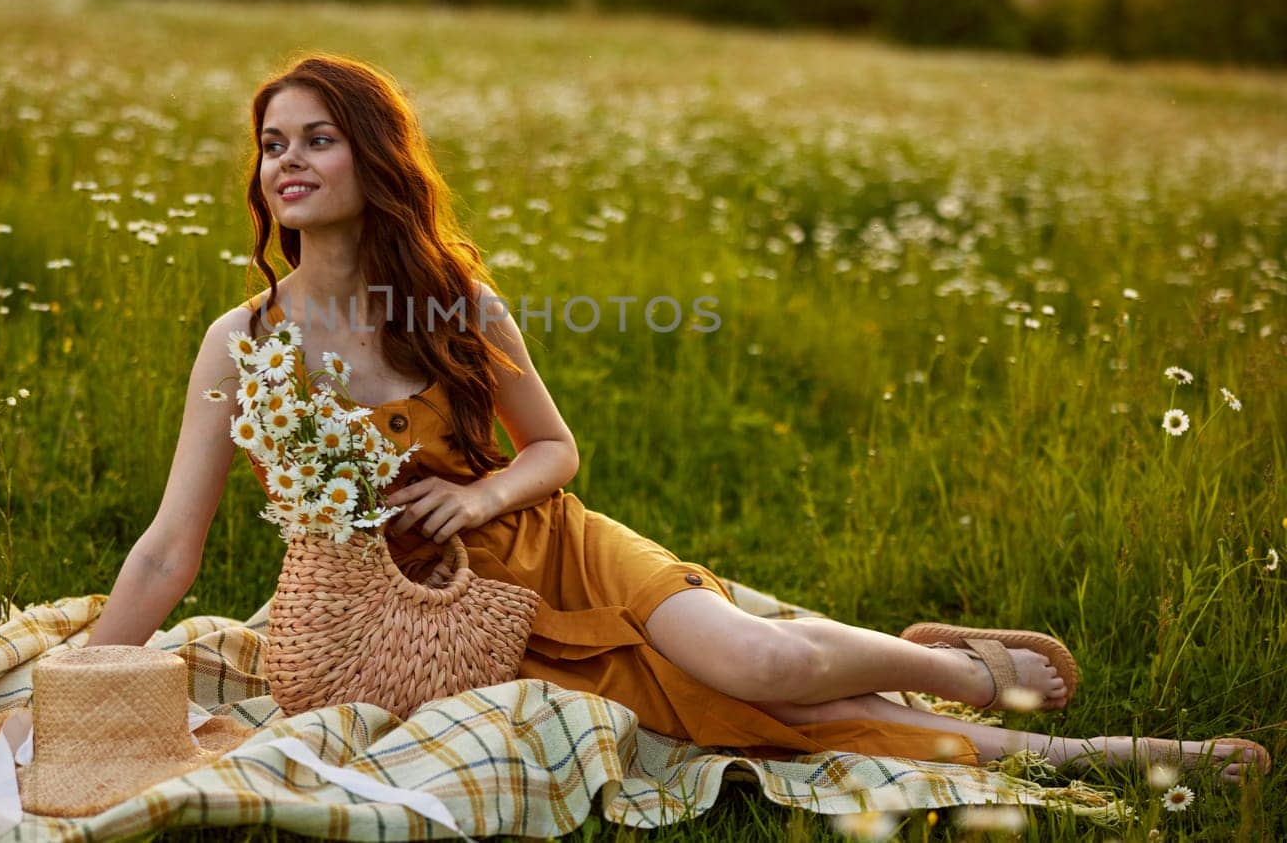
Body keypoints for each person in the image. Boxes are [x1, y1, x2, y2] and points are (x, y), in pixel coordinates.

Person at [88, 53, 1268, 783]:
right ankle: (1112, 759)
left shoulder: (457, 303)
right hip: (440, 632)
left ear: (373, 159)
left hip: (557, 550)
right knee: (785, 718)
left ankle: (953, 668)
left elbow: (555, 450)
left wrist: (480, 492)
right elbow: (168, 546)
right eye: (270, 143)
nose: (285, 159)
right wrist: (88, 675)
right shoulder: (240, 343)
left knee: (761, 660)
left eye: (317, 136)